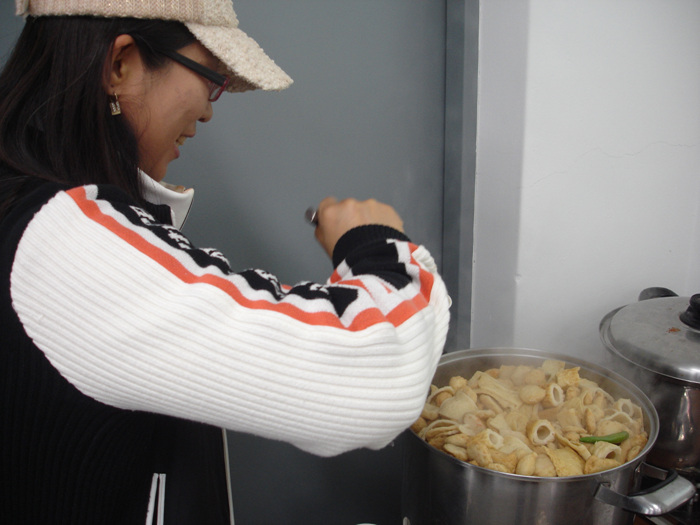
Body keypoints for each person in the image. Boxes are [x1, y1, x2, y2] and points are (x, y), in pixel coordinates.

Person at [0, 0, 450, 523]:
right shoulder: (69, 247)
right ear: (119, 64)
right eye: (211, 78)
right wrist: (375, 245)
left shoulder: (25, 200)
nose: (209, 111)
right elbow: (377, 378)